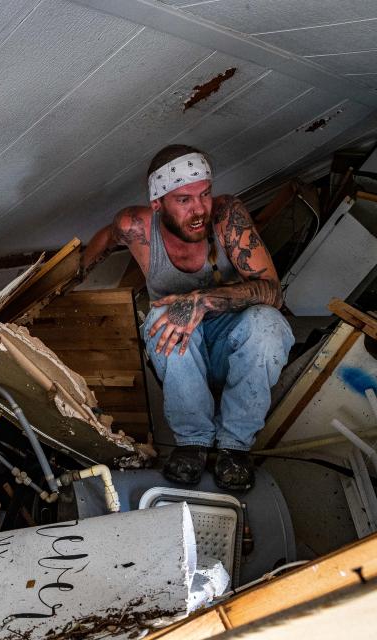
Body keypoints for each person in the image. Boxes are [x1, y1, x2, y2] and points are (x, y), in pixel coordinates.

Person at [82, 144, 294, 491]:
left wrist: (203, 300)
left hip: (232, 342)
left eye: (205, 195)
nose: (199, 210)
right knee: (164, 314)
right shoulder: (136, 226)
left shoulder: (226, 216)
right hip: (178, 352)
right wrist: (79, 271)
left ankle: (234, 446)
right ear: (158, 204)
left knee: (269, 323)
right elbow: (107, 237)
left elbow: (272, 290)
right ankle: (193, 442)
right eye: (184, 200)